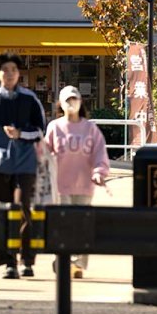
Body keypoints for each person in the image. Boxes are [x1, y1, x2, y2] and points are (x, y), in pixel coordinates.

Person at [0, 52, 45, 279]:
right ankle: (8, 262)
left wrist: (20, 134)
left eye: (13, 70)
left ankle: (27, 260)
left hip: (24, 164)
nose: (9, 74)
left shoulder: (29, 99)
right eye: (4, 70)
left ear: (19, 74)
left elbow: (40, 131)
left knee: (24, 210)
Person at [44, 85, 109, 278]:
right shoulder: (54, 127)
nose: (72, 103)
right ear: (61, 105)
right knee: (63, 224)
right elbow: (44, 154)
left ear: (80, 102)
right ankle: (63, 260)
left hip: (84, 186)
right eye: (67, 101)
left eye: (75, 99)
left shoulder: (90, 128)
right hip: (60, 186)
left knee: (81, 224)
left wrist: (99, 172)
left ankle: (79, 265)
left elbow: (99, 154)